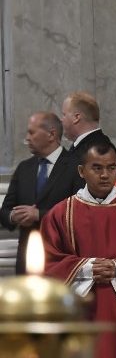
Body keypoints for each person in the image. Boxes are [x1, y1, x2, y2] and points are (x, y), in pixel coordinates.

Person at [41, 141, 116, 358]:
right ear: (81, 171)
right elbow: (46, 264)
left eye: (111, 168)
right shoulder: (61, 213)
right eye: (97, 168)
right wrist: (87, 268)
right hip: (80, 313)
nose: (105, 175)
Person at [0, 111, 84, 274]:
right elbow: (4, 211)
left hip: (62, 260)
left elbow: (80, 214)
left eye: (31, 132)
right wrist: (13, 216)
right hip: (27, 262)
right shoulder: (24, 168)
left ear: (51, 134)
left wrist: (39, 215)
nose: (27, 138)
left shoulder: (76, 167)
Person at [60, 91, 113, 166]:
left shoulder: (96, 150)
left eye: (64, 115)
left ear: (76, 117)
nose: (61, 120)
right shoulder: (84, 146)